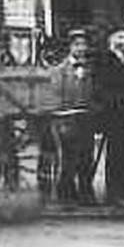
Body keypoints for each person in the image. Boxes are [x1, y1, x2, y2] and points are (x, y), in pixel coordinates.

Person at [50, 28, 97, 205]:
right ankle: (66, 193)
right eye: (77, 45)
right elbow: (57, 95)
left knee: (87, 156)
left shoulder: (91, 69)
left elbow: (94, 92)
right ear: (70, 47)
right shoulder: (60, 70)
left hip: (86, 117)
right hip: (67, 118)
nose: (81, 48)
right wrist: (62, 116)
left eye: (84, 44)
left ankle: (86, 191)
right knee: (69, 157)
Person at [94, 26, 124, 207]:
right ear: (110, 39)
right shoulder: (104, 60)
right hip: (113, 113)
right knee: (116, 153)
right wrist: (121, 101)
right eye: (120, 37)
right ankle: (114, 193)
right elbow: (101, 89)